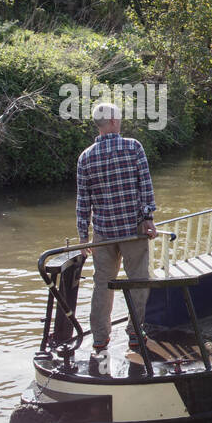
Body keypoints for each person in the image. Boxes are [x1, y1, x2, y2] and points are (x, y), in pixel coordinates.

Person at [76, 102, 158, 366]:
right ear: (112, 121)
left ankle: (100, 339)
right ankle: (135, 335)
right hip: (132, 229)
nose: (121, 121)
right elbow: (145, 185)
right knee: (138, 280)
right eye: (119, 117)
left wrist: (82, 235)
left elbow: (83, 201)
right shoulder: (133, 147)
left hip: (103, 232)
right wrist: (148, 218)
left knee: (103, 284)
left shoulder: (85, 157)